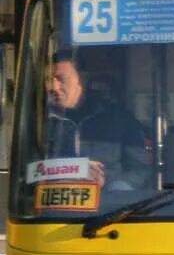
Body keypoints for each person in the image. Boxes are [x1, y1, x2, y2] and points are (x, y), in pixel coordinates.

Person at [42, 51, 151, 187]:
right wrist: (75, 170)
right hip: (54, 204)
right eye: (48, 80)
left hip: (109, 204)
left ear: (83, 79)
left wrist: (110, 182)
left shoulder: (119, 119)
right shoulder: (39, 122)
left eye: (61, 79)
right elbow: (27, 170)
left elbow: (140, 170)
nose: (53, 87)